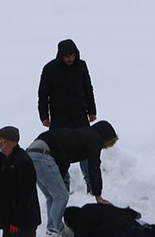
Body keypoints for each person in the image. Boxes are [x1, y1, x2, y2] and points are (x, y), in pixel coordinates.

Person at [27, 120, 118, 237]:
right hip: (43, 155)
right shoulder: (94, 139)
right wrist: (98, 195)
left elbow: (64, 158)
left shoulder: (81, 135)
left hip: (32, 152)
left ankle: (53, 232)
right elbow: (94, 167)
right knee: (61, 196)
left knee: (53, 196)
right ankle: (52, 236)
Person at [38, 39, 97, 193]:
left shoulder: (81, 66)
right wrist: (43, 115)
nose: (70, 59)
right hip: (59, 118)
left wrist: (92, 110)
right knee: (60, 152)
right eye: (67, 56)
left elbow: (88, 88)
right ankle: (63, 183)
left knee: (87, 149)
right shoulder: (50, 69)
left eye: (73, 56)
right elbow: (43, 94)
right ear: (61, 56)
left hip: (79, 117)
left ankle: (90, 182)